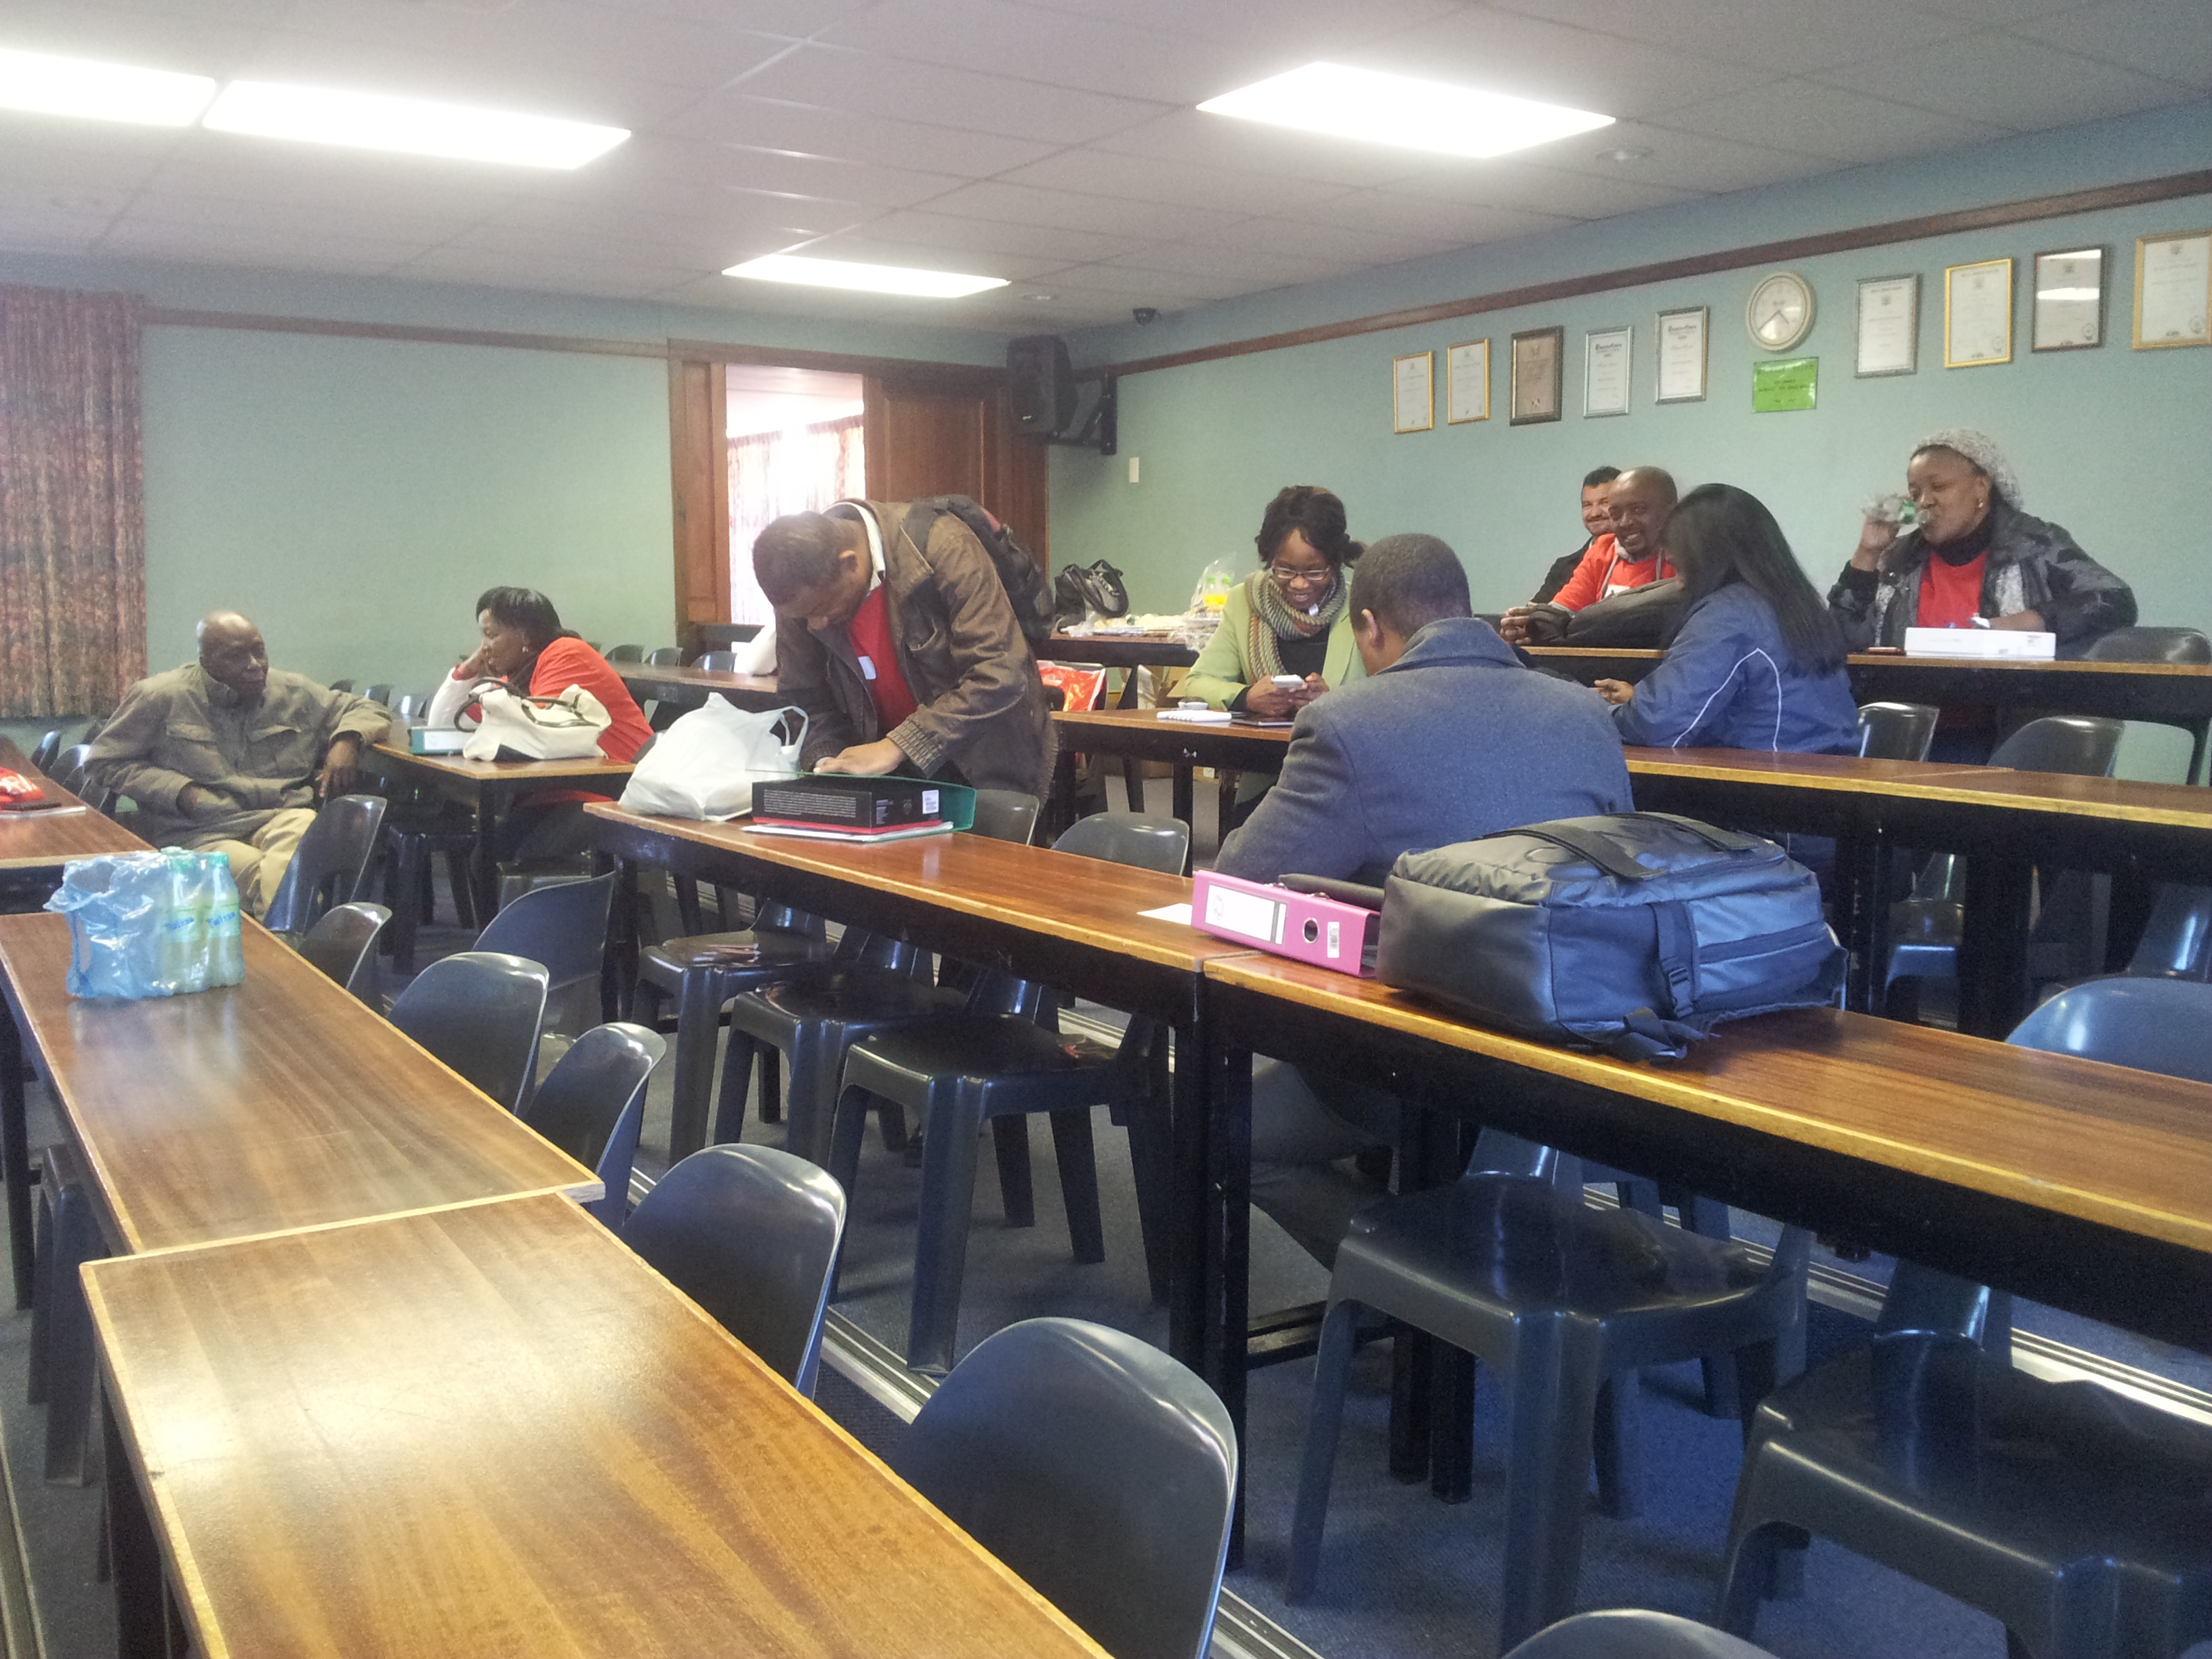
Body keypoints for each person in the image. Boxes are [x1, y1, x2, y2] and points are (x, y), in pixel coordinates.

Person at [1212, 534, 1634, 1264]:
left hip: (1422, 1064)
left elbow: (1244, 879)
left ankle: (1414, 1281)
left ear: (1370, 626)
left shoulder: (1349, 722)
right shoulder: (1585, 713)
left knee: (1222, 1129)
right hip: (1585, 1054)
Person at [86, 611, 390, 917]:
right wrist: (180, 791)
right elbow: (104, 762)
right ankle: (290, 939)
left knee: (297, 838)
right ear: (206, 661)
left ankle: (284, 940)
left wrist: (347, 740)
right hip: (203, 829)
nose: (255, 664)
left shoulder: (293, 692)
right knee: (277, 879)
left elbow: (367, 708)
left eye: (259, 651)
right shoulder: (160, 697)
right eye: (236, 656)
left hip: (281, 815)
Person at [752, 501, 1052, 797]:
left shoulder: (944, 545)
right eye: (804, 617)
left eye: (824, 609)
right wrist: (827, 762)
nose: (816, 625)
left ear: (850, 563)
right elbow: (805, 698)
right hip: (887, 777)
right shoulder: (802, 588)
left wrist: (899, 745)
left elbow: (999, 671)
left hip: (986, 764)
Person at [1597, 484, 1861, 755]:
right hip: (1830, 769)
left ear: (1705, 556)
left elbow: (1658, 725)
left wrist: (1592, 712)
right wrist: (1640, 702)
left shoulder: (1728, 615)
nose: (1679, 585)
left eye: (1678, 567)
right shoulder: (1796, 603)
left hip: (1772, 774)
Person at [1828, 428, 2134, 652]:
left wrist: (2030, 622)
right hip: (1910, 712)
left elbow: (2115, 600)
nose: (1925, 502)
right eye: (1915, 492)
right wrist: (1868, 553)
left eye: (1939, 487)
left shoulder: (2034, 543)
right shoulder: (1900, 557)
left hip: (2009, 713)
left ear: (1981, 487)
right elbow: (1838, 643)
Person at [425, 586, 653, 859]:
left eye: (491, 635)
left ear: (524, 635)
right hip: (564, 791)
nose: (484, 647)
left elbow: (533, 737)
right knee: (486, 858)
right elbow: (443, 724)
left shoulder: (567, 654)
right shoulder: (519, 674)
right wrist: (467, 670)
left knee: (520, 860)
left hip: (617, 789)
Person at [1183, 485, 1368, 720]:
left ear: (1335, 562)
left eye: (1314, 572)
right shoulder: (1245, 602)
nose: (1299, 584)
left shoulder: (1361, 607)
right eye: (1285, 570)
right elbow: (1197, 683)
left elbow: (1389, 695)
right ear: (1269, 560)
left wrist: (1333, 702)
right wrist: (1247, 697)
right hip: (1262, 743)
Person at [1498, 466, 1679, 643]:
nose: (1625, 523)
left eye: (1638, 510)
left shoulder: (1687, 557)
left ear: (1671, 511)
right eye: (1616, 515)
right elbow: (1558, 615)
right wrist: (1527, 628)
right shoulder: (1602, 550)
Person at [1530, 466, 1621, 603]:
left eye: (1604, 503)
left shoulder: (1643, 560)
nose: (1594, 513)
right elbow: (1536, 610)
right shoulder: (1564, 568)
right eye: (1587, 505)